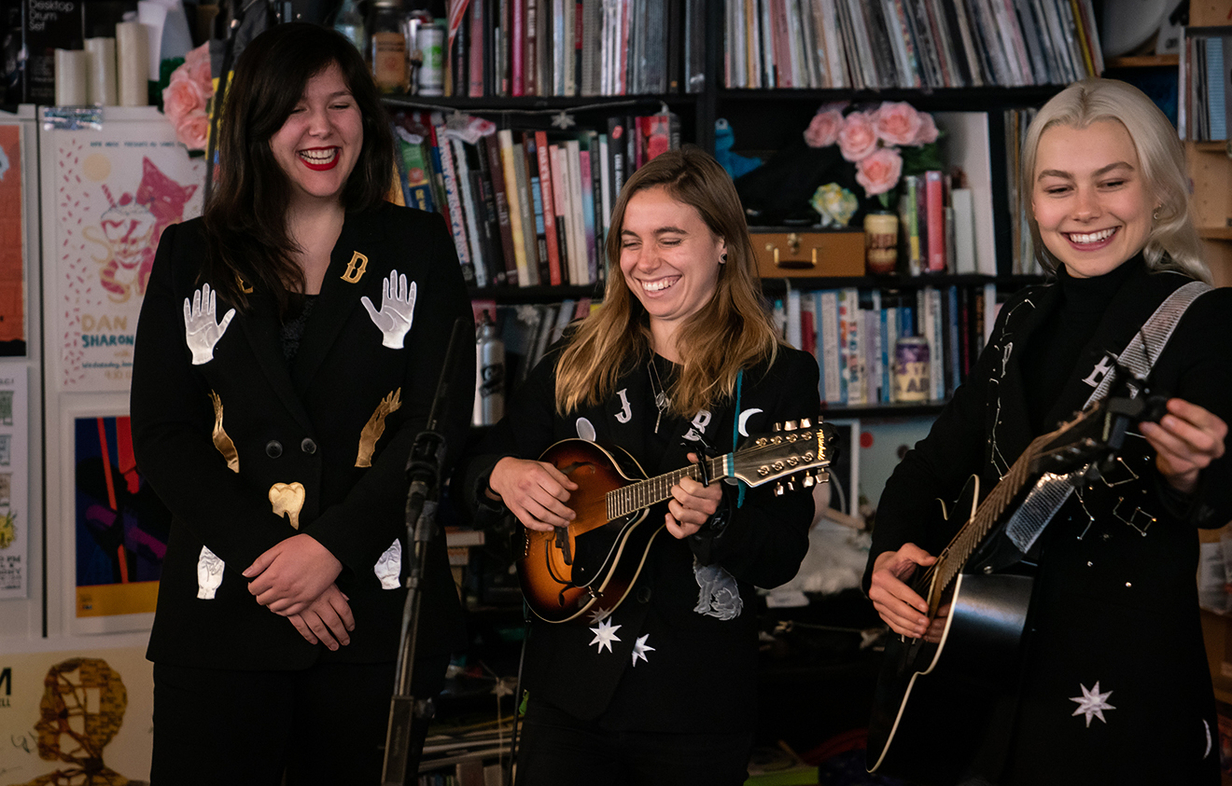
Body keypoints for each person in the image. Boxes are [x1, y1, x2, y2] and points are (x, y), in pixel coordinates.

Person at [864, 79, 1232, 785]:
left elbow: (1219, 493)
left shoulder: (1205, 317)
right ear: (1033, 202)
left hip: (1117, 689)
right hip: (982, 674)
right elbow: (930, 466)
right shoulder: (1022, 316)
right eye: (1058, 187)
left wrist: (1191, 470)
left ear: (1161, 191)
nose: (1084, 210)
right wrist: (888, 561)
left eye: (1112, 181)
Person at [130, 22, 470, 785]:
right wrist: (274, 563)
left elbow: (434, 425)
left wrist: (327, 552)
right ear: (256, 128)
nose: (320, 128)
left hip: (370, 616)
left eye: (339, 104)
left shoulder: (418, 246)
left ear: (365, 119)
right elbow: (162, 435)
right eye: (294, 110)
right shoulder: (192, 253)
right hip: (220, 622)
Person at [460, 147, 820, 786]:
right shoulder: (577, 355)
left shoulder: (775, 378)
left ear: (724, 245)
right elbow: (473, 465)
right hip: (567, 692)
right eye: (631, 242)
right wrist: (503, 475)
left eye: (670, 239)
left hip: (695, 701)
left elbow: (781, 556)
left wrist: (718, 524)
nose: (645, 262)